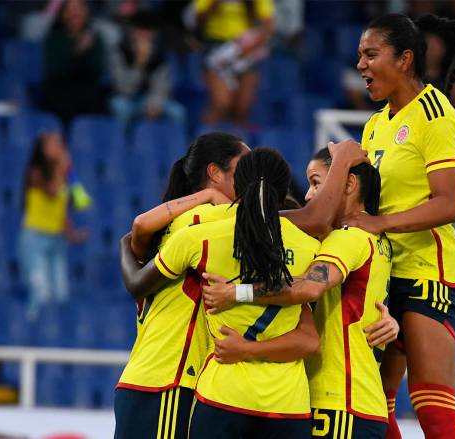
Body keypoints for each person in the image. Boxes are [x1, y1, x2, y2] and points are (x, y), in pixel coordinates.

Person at [201, 148, 399, 438]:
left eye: (317, 182)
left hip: (338, 404)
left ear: (349, 183)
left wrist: (236, 292)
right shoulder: (378, 242)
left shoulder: (347, 238)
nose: (309, 195)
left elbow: (308, 286)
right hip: (361, 401)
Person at [122, 148, 320, 438]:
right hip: (286, 402)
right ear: (283, 192)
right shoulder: (311, 249)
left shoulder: (198, 236)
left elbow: (138, 277)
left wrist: (125, 242)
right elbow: (309, 334)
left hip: (220, 393)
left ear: (237, 186)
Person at [348, 13, 455, 439]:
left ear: (404, 59)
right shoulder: (375, 124)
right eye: (359, 55)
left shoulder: (435, 112)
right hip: (383, 275)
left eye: (369, 54)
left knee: (433, 411)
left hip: (425, 274)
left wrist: (381, 223)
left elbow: (449, 204)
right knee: (375, 408)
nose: (360, 64)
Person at [114, 132, 247, 439]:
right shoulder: (212, 220)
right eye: (245, 167)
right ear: (215, 172)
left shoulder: (169, 223)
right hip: (171, 381)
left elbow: (136, 230)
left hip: (144, 378)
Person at [20, 132, 88, 321]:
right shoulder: (35, 172)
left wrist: (72, 233)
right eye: (53, 144)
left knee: (60, 294)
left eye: (60, 143)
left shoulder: (63, 176)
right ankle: (32, 336)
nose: (59, 147)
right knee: (41, 293)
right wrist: (63, 166)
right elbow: (52, 192)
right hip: (35, 238)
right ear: (42, 149)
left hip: (57, 240)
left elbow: (61, 210)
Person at [194, 0, 276, 124]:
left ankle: (235, 143)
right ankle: (201, 142)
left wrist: (247, 48)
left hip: (247, 49)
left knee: (242, 109)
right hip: (218, 48)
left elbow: (268, 26)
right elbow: (199, 20)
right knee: (221, 105)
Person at [110, 10, 186, 128]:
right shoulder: (120, 53)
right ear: (132, 31)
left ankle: (176, 145)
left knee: (178, 112)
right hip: (128, 100)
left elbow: (162, 88)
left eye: (148, 31)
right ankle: (122, 144)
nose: (143, 35)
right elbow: (125, 90)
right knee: (119, 106)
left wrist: (154, 104)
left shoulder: (159, 56)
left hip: (149, 100)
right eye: (140, 30)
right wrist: (140, 63)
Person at [41, 0, 107, 124]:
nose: (75, 14)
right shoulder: (54, 38)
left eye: (79, 9)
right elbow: (56, 70)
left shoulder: (95, 38)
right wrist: (77, 52)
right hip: (59, 90)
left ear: (86, 13)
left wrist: (84, 54)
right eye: (71, 10)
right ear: (63, 14)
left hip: (87, 90)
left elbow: (96, 70)